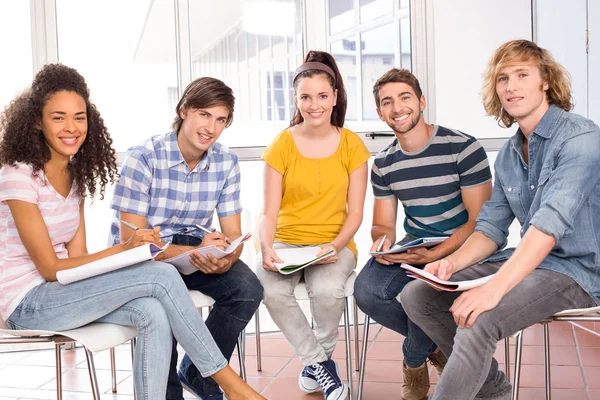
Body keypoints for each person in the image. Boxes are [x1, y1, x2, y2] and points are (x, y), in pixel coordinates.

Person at [0, 64, 264, 400]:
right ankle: (230, 384)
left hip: (63, 294)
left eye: (79, 117)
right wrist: (125, 250)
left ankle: (202, 382)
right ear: (37, 121)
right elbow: (51, 270)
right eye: (59, 117)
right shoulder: (17, 176)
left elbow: (78, 261)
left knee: (153, 311)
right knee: (160, 276)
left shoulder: (75, 175)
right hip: (27, 303)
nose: (71, 127)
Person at [400, 39, 600, 400]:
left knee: (480, 318)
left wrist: (493, 289)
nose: (511, 86)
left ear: (546, 82)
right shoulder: (509, 153)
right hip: (529, 262)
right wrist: (450, 263)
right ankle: (493, 391)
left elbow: (548, 226)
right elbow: (491, 228)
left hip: (578, 270)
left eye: (522, 74)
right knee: (418, 295)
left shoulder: (580, 137)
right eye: (503, 78)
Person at [108, 76, 263, 400]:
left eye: (221, 120)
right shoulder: (144, 157)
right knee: (158, 303)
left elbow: (233, 233)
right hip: (140, 255)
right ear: (183, 111)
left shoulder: (226, 163)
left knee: (247, 289)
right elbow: (132, 241)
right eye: (205, 114)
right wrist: (186, 252)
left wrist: (226, 257)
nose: (211, 127)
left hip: (194, 248)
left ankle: (198, 372)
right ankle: (167, 394)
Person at [353, 68, 493, 399]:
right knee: (367, 291)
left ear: (421, 101)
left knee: (422, 292)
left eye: (404, 97)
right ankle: (440, 344)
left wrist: (437, 253)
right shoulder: (384, 163)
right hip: (416, 247)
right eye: (387, 102)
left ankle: (414, 361)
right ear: (380, 112)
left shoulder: (463, 148)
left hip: (466, 247)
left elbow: (481, 221)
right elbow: (384, 224)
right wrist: (383, 243)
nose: (397, 107)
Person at [256, 50, 370, 400]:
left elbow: (355, 213)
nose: (314, 104)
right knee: (269, 287)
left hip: (334, 243)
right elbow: (269, 213)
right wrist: (266, 248)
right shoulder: (282, 145)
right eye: (306, 97)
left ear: (335, 97)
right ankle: (321, 365)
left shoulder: (352, 146)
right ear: (296, 99)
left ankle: (313, 366)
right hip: (288, 243)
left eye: (322, 96)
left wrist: (334, 247)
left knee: (326, 290)